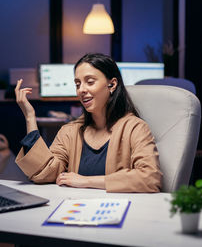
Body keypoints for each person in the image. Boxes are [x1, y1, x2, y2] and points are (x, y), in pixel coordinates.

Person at [15, 53, 162, 192]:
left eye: (90, 82)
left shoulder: (135, 128)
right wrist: (30, 117)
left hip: (118, 211)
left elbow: (150, 177)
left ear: (112, 85)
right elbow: (44, 172)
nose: (81, 90)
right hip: (75, 210)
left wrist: (86, 181)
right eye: (77, 84)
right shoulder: (70, 131)